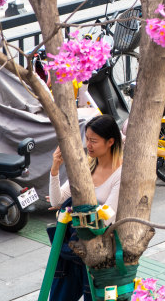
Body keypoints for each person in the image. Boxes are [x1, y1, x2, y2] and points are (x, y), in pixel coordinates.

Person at [47, 114, 123, 301]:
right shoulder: (87, 164)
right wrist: (55, 168)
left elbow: (106, 217)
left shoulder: (121, 174)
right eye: (87, 139)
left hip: (100, 253)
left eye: (94, 141)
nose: (88, 144)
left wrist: (73, 210)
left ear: (110, 142)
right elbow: (56, 199)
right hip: (74, 249)